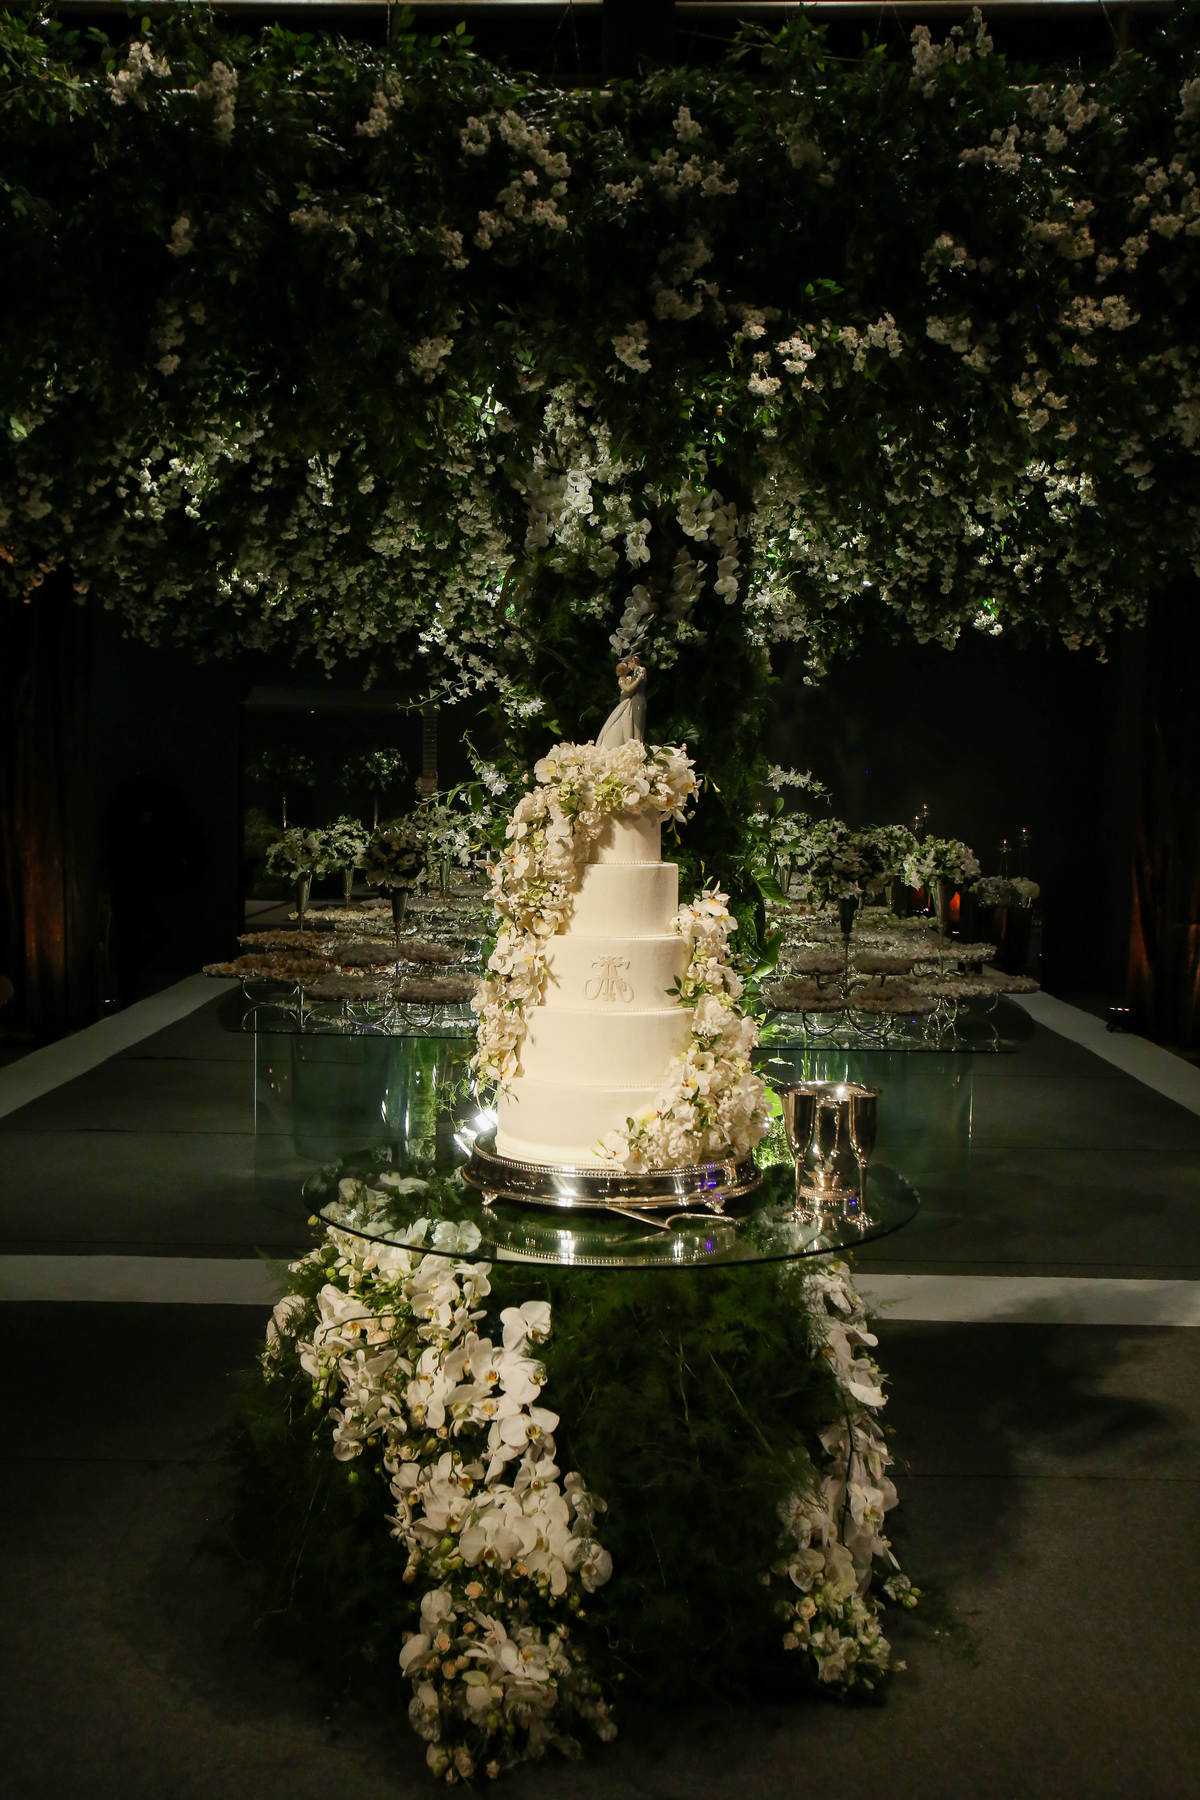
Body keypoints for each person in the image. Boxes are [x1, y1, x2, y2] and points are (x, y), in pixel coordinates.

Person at [594, 653, 647, 749]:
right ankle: (631, 743)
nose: (628, 667)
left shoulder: (634, 674)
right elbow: (628, 689)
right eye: (626, 666)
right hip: (626, 701)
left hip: (632, 701)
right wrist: (638, 679)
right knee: (626, 720)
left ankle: (635, 744)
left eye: (628, 664)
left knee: (633, 722)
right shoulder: (622, 680)